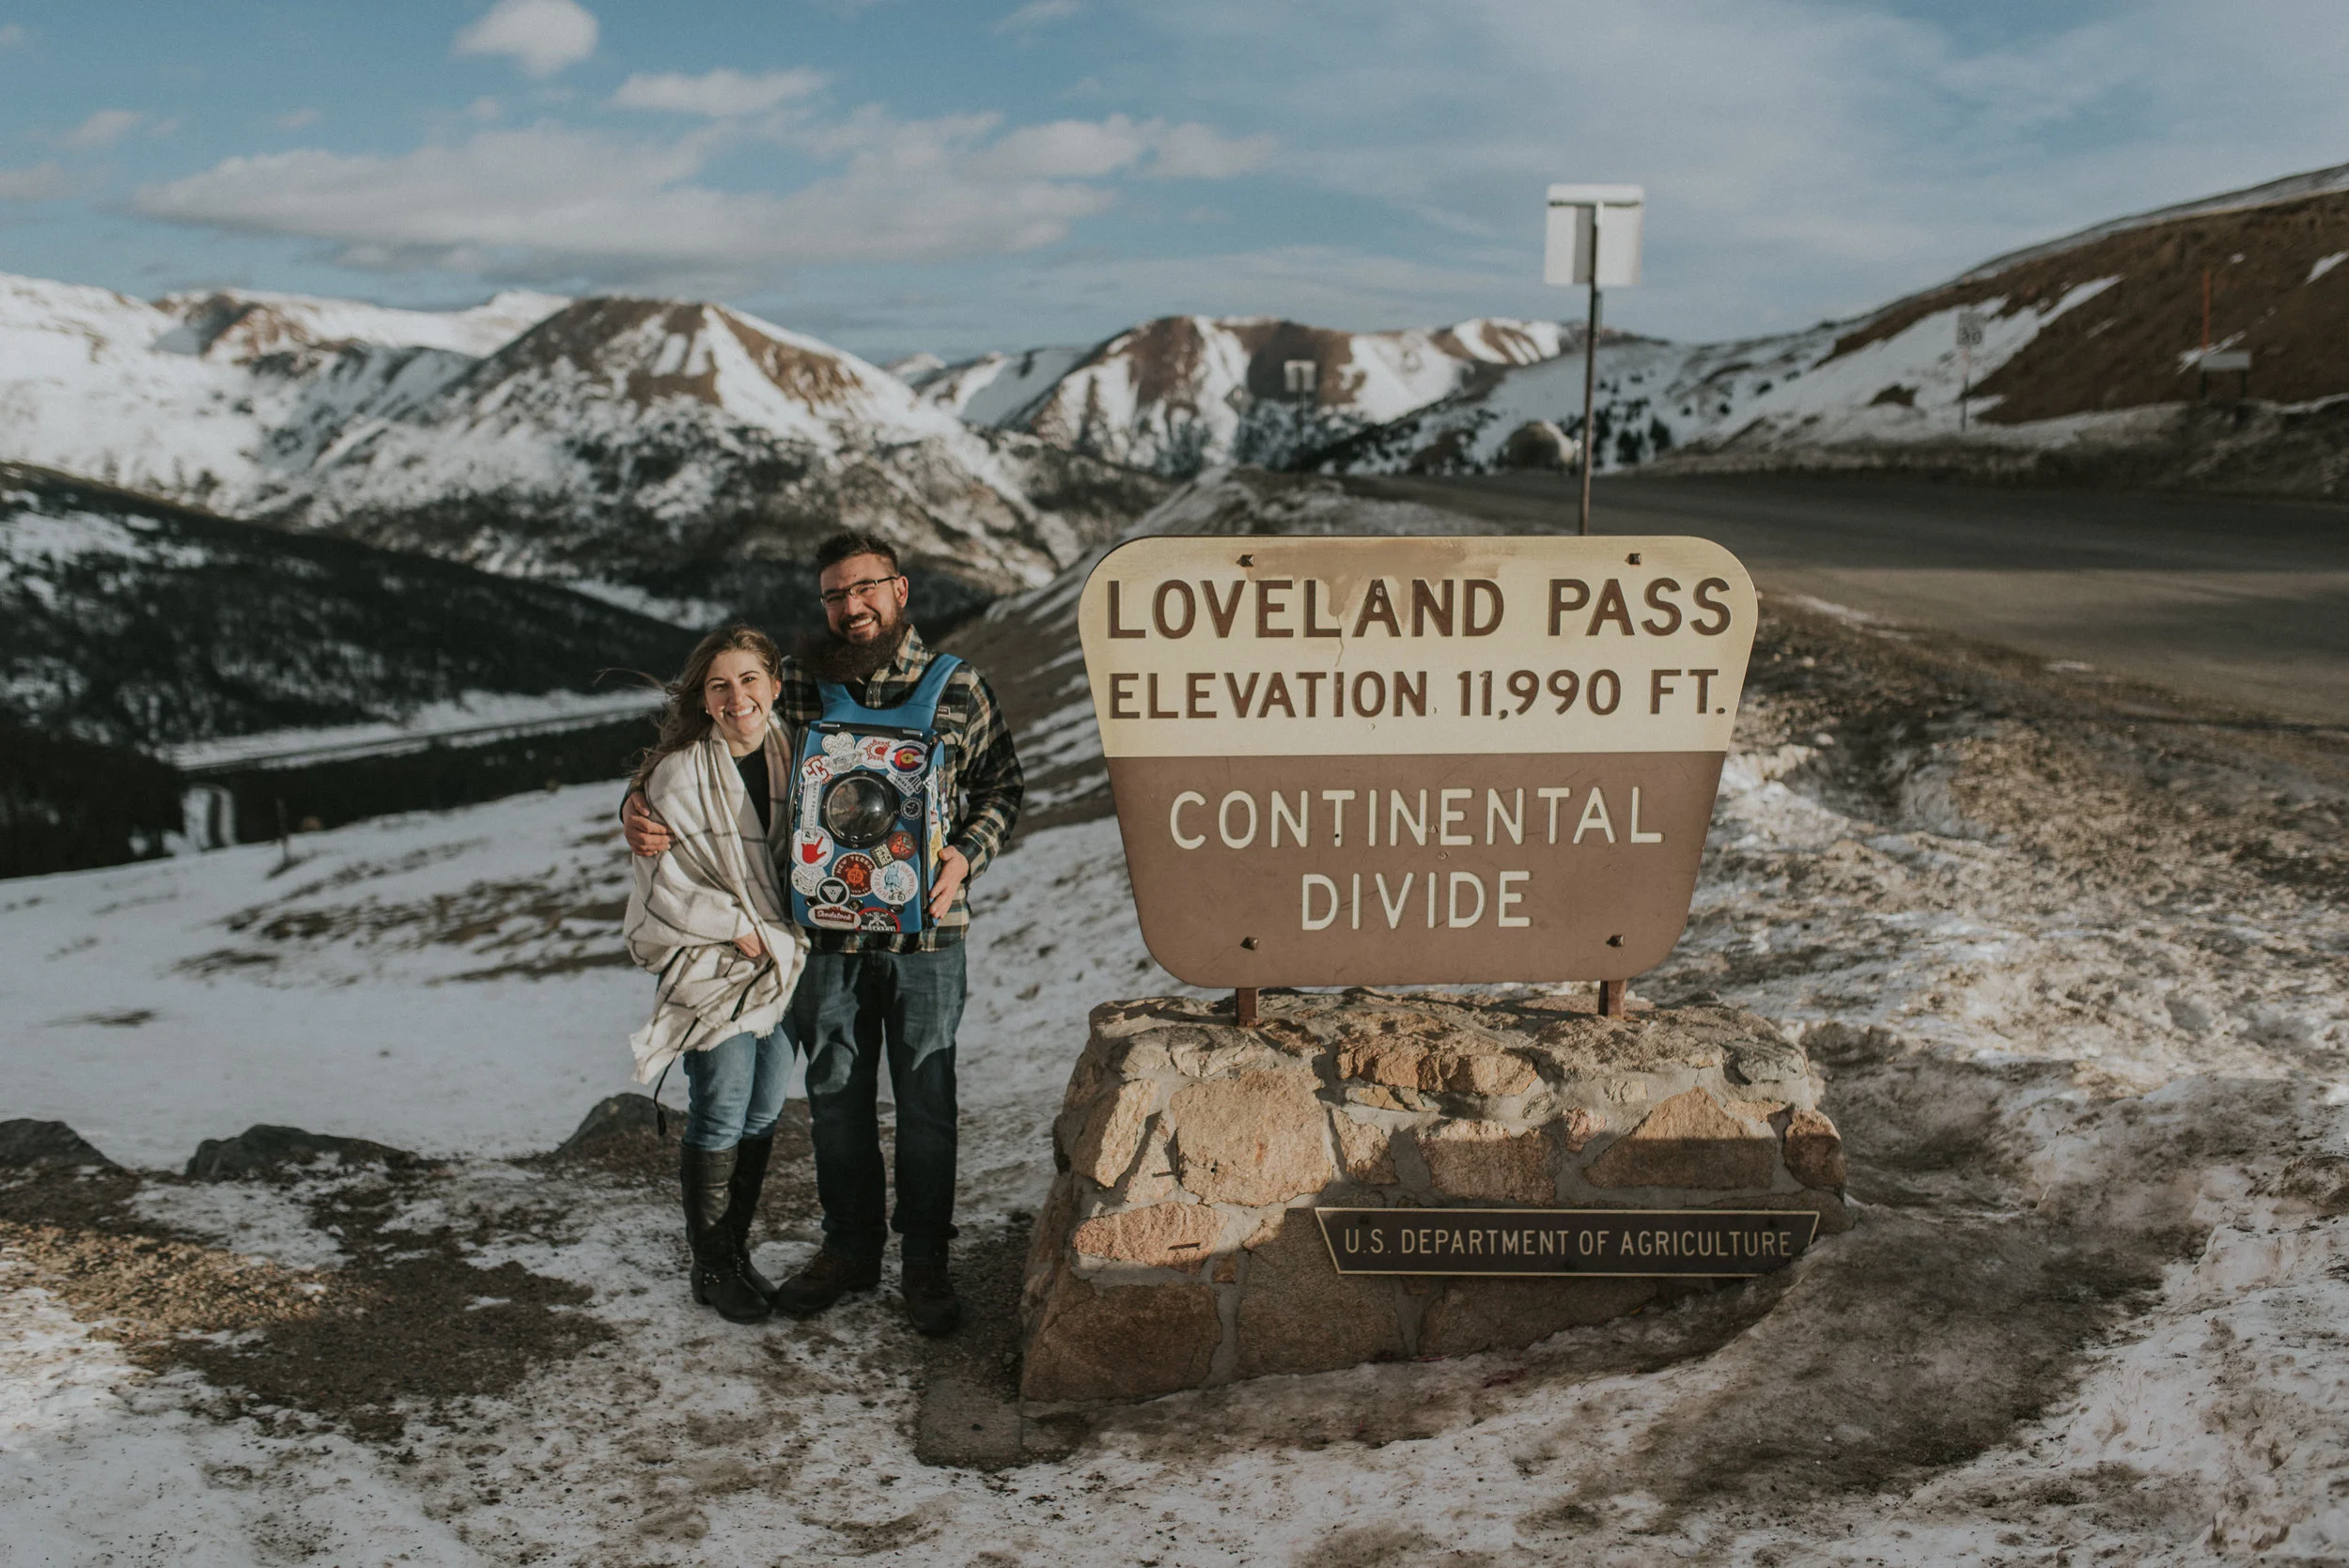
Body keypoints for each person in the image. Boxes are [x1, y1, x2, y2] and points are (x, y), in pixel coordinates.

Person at [623, 532, 1024, 1336]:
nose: (851, 606)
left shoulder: (960, 687)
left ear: (899, 590)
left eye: (865, 587)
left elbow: (1002, 786)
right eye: (835, 594)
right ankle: (850, 1248)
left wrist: (964, 856)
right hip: (828, 939)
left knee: (927, 1098)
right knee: (837, 1098)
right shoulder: (801, 686)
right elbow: (717, 745)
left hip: (928, 937)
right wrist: (636, 800)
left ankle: (925, 1260)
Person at [621, 626, 810, 1326]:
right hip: (714, 961)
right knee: (723, 1106)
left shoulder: (802, 755)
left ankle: (733, 1251)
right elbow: (665, 882)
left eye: (750, 679)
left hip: (783, 958)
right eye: (720, 685)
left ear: (775, 685)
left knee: (763, 1108)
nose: (737, 697)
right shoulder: (677, 775)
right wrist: (735, 924)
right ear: (703, 699)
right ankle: (712, 1268)